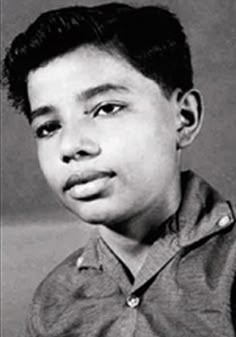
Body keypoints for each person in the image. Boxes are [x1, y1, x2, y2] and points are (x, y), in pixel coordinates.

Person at [2, 3, 236, 337]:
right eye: (48, 127)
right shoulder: (53, 302)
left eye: (106, 108)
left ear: (184, 117)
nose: (70, 146)